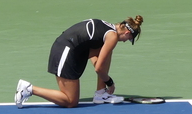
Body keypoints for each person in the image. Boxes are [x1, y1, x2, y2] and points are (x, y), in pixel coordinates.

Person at [15, 16, 143, 108]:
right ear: (127, 32)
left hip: (70, 49)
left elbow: (96, 59)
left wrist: (100, 67)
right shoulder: (112, 37)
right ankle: (29, 89)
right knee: (71, 101)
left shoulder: (106, 28)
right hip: (64, 53)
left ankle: (100, 94)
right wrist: (110, 83)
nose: (126, 41)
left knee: (107, 52)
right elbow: (99, 68)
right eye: (129, 38)